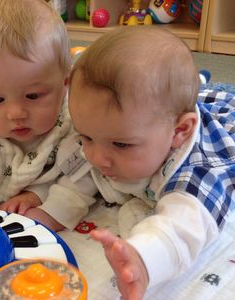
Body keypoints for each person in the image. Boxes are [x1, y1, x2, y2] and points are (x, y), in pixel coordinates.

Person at [68, 26, 235, 299]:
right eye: (85, 137)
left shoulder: (198, 171)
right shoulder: (117, 125)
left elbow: (184, 226)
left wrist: (144, 259)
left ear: (179, 132)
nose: (95, 157)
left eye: (121, 144)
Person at [0, 0, 97, 231]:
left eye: (33, 96)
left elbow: (81, 178)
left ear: (64, 84)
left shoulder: (75, 125)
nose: (16, 113)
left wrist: (38, 195)